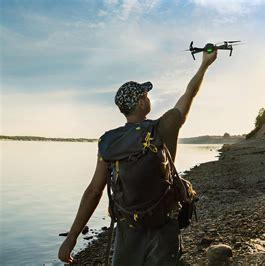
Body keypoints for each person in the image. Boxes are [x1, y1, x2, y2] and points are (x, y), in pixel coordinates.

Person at [58, 50, 217, 265]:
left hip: (127, 230)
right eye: (146, 95)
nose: (148, 98)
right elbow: (189, 93)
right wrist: (205, 65)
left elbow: (94, 191)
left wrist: (71, 238)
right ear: (141, 103)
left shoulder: (108, 141)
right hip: (163, 229)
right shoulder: (164, 127)